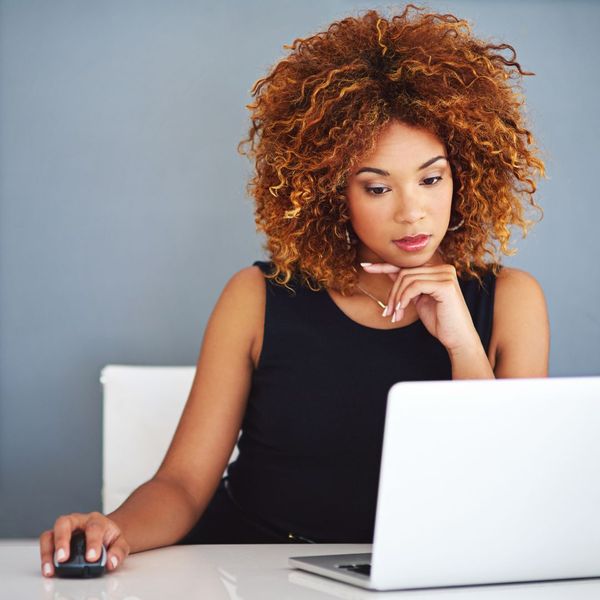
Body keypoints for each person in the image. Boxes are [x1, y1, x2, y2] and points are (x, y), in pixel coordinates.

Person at [39, 5, 549, 576]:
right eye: (377, 187)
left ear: (465, 173)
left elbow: (504, 499)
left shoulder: (511, 302)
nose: (413, 213)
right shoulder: (257, 296)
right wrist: (112, 530)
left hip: (419, 576)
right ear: (333, 194)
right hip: (249, 568)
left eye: (432, 178)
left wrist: (463, 346)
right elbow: (182, 486)